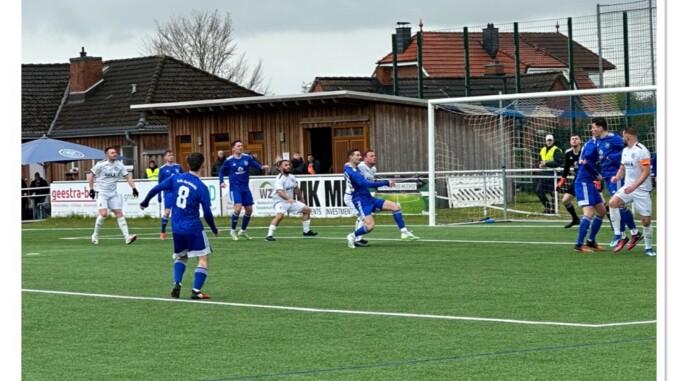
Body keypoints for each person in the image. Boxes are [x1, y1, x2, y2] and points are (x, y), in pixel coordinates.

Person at [140, 152, 220, 299]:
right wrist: (214, 229)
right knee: (202, 258)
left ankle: (177, 283)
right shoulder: (201, 187)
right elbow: (207, 213)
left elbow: (156, 188)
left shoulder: (176, 178)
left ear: (187, 165)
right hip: (194, 227)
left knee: (182, 257)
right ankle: (196, 291)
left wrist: (145, 201)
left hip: (177, 227)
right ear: (202, 165)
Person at [344, 148, 419, 248]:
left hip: (368, 197)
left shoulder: (353, 167)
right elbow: (365, 183)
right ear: (351, 157)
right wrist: (386, 183)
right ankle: (354, 237)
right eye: (357, 155)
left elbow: (367, 180)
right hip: (358, 200)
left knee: (395, 207)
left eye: (360, 155)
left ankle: (404, 232)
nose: (360, 157)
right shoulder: (355, 171)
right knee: (368, 224)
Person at [592, 116, 639, 248]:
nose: (592, 129)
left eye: (594, 127)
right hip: (607, 176)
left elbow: (627, 148)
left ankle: (621, 235)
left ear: (600, 128)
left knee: (617, 204)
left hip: (616, 175)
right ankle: (634, 233)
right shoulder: (597, 141)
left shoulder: (614, 138)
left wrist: (612, 157)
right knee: (620, 205)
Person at [608, 127, 655, 256]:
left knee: (646, 221)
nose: (622, 139)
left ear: (628, 137)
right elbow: (622, 168)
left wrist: (634, 187)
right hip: (628, 187)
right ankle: (619, 235)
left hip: (642, 190)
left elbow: (646, 172)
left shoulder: (642, 151)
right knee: (613, 203)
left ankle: (648, 247)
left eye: (623, 136)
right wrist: (617, 177)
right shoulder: (625, 151)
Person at [218, 139, 269, 240]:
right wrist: (221, 182)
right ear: (233, 148)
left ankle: (243, 230)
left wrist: (261, 167)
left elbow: (255, 164)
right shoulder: (229, 160)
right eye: (238, 146)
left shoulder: (246, 158)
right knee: (237, 208)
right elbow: (221, 172)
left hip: (245, 188)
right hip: (235, 188)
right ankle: (232, 231)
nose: (240, 147)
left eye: (241, 146)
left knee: (249, 210)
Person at [88, 147, 139, 245]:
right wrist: (91, 189)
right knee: (103, 213)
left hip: (112, 193)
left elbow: (127, 177)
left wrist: (134, 188)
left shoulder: (119, 165)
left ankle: (127, 237)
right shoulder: (100, 165)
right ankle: (95, 234)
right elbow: (91, 175)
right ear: (107, 155)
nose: (115, 154)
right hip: (101, 192)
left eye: (115, 152)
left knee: (119, 213)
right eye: (112, 153)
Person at [264, 159, 318, 241]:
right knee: (279, 216)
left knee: (307, 210)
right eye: (285, 165)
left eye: (289, 165)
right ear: (280, 168)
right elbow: (280, 192)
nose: (288, 166)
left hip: (290, 201)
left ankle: (306, 232)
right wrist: (288, 199)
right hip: (280, 201)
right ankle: (269, 235)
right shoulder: (279, 179)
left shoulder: (292, 177)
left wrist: (300, 199)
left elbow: (296, 188)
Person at [572, 130, 607, 253]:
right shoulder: (591, 144)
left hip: (590, 182)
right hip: (583, 181)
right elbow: (584, 162)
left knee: (602, 210)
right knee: (588, 211)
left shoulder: (598, 144)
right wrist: (596, 174)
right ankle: (579, 244)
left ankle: (591, 241)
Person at [158, 150, 184, 240]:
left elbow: (184, 177)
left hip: (178, 193)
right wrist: (159, 195)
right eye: (169, 155)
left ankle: (178, 232)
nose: (171, 157)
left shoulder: (178, 167)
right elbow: (160, 183)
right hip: (168, 193)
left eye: (172, 155)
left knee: (178, 213)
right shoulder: (162, 169)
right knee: (167, 212)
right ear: (165, 157)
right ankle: (162, 231)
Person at [556, 135, 582, 228]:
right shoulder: (568, 153)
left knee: (600, 201)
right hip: (577, 179)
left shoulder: (585, 151)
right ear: (570, 141)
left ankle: (613, 222)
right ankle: (575, 219)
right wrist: (561, 181)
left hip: (589, 178)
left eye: (576, 139)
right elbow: (566, 168)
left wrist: (596, 178)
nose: (574, 140)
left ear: (580, 141)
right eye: (572, 139)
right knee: (565, 200)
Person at [535, 134, 564, 214]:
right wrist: (539, 165)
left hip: (553, 174)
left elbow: (558, 162)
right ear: (545, 141)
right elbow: (538, 161)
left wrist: (546, 164)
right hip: (543, 174)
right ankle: (547, 207)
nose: (549, 142)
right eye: (548, 140)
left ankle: (555, 209)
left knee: (553, 192)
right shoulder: (543, 150)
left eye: (550, 140)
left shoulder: (557, 150)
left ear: (553, 141)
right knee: (539, 190)